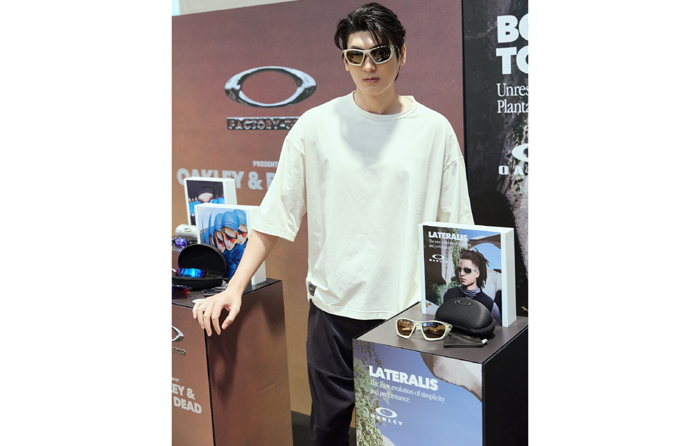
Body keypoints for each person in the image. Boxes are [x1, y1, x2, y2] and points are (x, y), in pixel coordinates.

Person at [192, 3, 474, 445]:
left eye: (380, 53)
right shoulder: (315, 126)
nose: (368, 66)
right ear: (344, 60)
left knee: (397, 434)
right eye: (355, 55)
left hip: (404, 315)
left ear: (402, 54)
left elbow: (454, 232)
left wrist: (458, 316)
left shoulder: (434, 131)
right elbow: (274, 217)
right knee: (327, 430)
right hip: (332, 312)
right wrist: (233, 288)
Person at [442, 249, 502, 326]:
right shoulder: (449, 294)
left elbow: (497, 330)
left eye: (467, 270)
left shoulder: (490, 305)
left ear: (477, 273)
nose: (461, 273)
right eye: (459, 269)